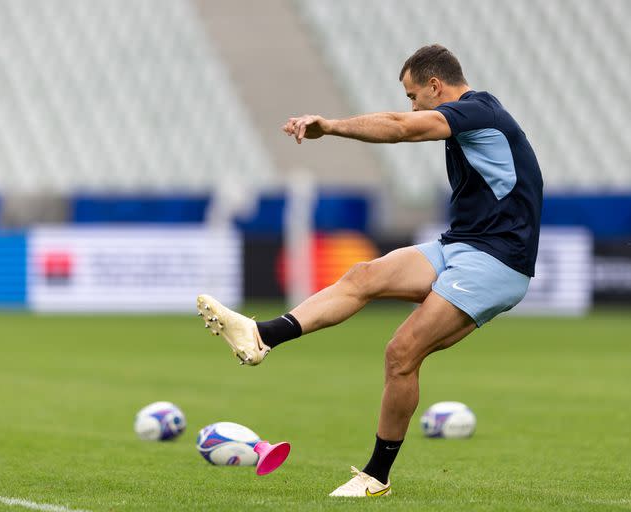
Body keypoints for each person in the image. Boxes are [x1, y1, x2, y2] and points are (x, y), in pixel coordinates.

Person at [196, 44, 543, 497]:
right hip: (462, 245)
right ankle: (262, 335)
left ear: (436, 86)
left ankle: (376, 477)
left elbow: (401, 128)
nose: (412, 105)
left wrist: (332, 126)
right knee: (364, 276)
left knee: (401, 353)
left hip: (498, 260)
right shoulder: (475, 116)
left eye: (413, 94)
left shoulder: (478, 113)